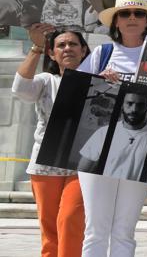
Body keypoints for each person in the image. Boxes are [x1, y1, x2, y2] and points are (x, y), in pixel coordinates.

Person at [78, 0, 147, 257]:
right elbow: (75, 93)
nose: (132, 17)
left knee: (124, 230)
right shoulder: (103, 52)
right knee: (95, 229)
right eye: (125, 13)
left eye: (138, 13)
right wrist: (98, 79)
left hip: (142, 146)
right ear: (116, 21)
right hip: (102, 143)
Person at [14, 23, 88, 257]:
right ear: (52, 53)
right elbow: (20, 89)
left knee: (70, 219)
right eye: (61, 45)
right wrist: (36, 47)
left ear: (83, 50)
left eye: (73, 44)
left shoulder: (97, 81)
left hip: (81, 166)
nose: (67, 48)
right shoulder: (47, 80)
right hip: (45, 164)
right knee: (49, 227)